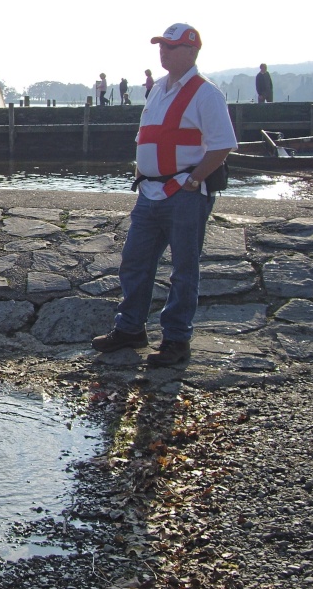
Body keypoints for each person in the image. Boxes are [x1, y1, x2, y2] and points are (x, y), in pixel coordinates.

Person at [92, 23, 236, 367]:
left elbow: (223, 145)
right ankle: (130, 329)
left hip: (184, 193)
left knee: (184, 270)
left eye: (170, 47)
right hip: (149, 192)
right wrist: (142, 170)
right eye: (161, 46)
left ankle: (176, 339)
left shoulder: (206, 93)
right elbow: (150, 135)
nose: (163, 51)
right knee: (135, 262)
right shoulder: (157, 88)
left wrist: (195, 179)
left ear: (191, 51)